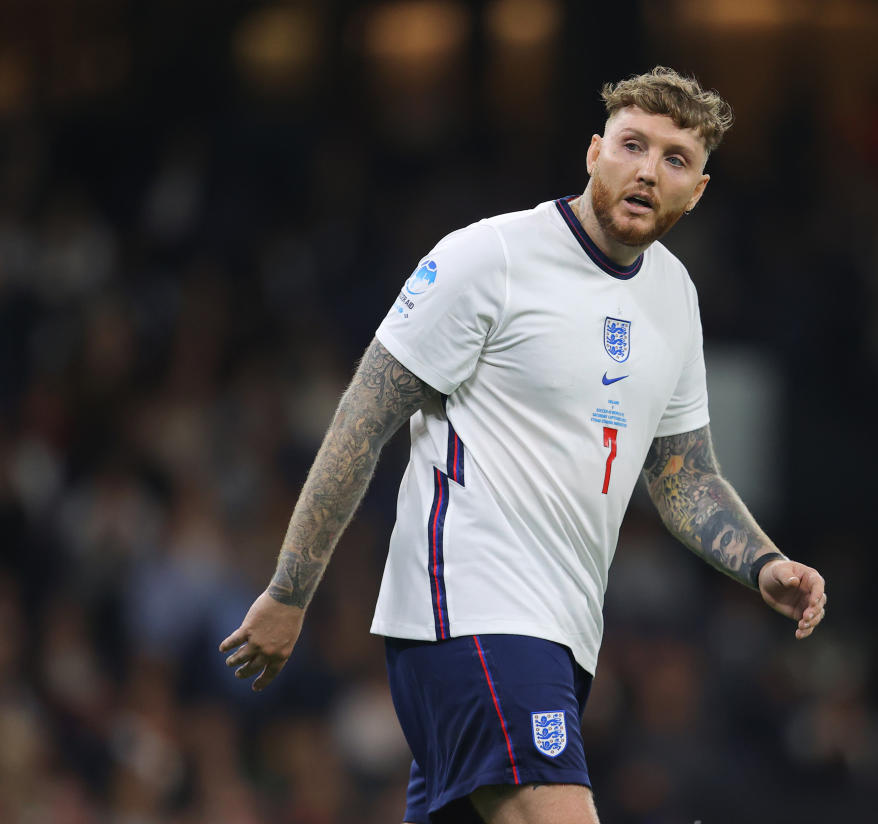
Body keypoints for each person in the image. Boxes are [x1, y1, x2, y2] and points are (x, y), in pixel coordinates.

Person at [220, 67, 827, 824]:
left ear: (698, 190)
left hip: (564, 637)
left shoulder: (674, 294)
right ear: (593, 152)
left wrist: (763, 562)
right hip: (474, 613)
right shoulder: (491, 258)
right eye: (633, 145)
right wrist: (289, 590)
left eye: (675, 158)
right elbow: (361, 421)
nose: (647, 169)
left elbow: (683, 477)